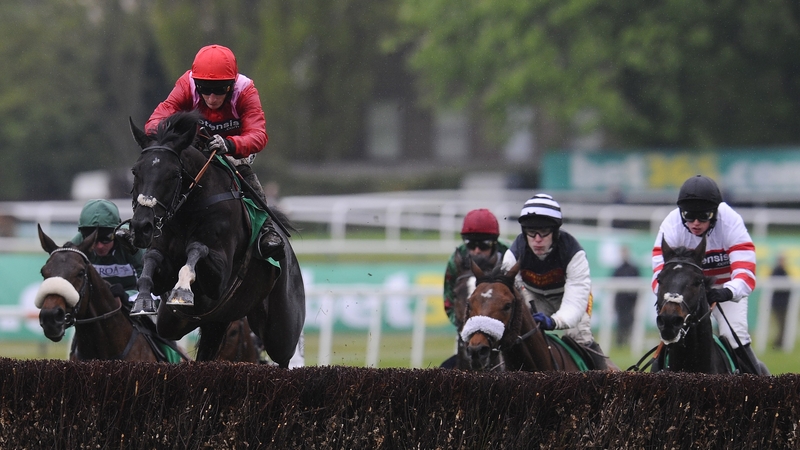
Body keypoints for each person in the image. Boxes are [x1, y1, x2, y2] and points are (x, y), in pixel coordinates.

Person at [146, 44, 284, 264]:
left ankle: (267, 230)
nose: (211, 98)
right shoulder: (185, 85)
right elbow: (154, 122)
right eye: (205, 89)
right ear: (196, 83)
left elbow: (258, 134)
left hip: (232, 154)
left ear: (231, 85)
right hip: (195, 150)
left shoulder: (245, 90)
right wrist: (173, 138)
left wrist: (230, 144)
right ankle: (146, 225)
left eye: (219, 90)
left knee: (249, 180)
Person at [652, 174, 767, 374]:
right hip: (685, 294)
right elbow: (659, 277)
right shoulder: (670, 226)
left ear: (714, 213)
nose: (695, 223)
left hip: (725, 290)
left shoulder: (731, 222)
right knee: (671, 333)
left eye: (703, 217)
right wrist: (671, 299)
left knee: (734, 335)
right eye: (688, 216)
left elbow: (746, 273)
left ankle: (759, 385)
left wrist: (727, 292)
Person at [501, 193, 611, 370]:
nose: (537, 239)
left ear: (555, 232)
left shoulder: (574, 253)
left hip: (568, 297)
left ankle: (604, 383)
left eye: (544, 232)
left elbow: (575, 300)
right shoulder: (513, 255)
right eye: (531, 232)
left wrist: (554, 321)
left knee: (579, 336)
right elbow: (509, 292)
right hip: (534, 296)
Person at [440, 209, 509, 368]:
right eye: (470, 244)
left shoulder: (509, 256)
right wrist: (468, 329)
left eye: (483, 245)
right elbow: (449, 301)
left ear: (494, 243)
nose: (476, 250)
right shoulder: (455, 260)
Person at [70, 199, 145, 302]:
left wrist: (125, 296)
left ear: (116, 231)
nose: (100, 246)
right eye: (93, 240)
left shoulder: (133, 243)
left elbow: (153, 292)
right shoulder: (77, 245)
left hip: (129, 298)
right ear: (84, 236)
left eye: (106, 238)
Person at [612, 246, 640, 347]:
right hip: (620, 301)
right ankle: (620, 341)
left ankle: (628, 341)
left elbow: (638, 284)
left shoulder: (633, 269)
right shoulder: (618, 269)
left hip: (630, 301)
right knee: (620, 322)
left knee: (630, 322)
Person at [770, 254, 790, 348]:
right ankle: (779, 343)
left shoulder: (783, 271)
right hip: (779, 304)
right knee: (781, 324)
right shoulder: (777, 271)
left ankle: (780, 342)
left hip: (783, 303)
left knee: (783, 324)